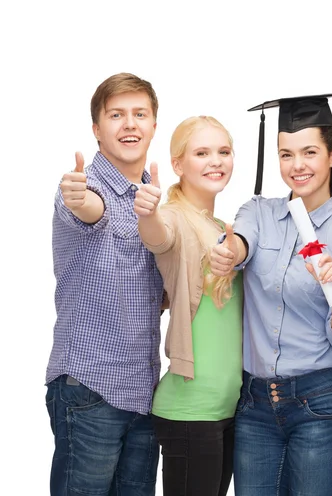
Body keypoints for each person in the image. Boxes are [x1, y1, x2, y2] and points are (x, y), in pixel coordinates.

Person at [210, 93, 332, 496]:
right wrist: (230, 253)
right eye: (286, 154)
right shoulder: (259, 211)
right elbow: (240, 244)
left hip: (322, 403)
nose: (297, 166)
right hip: (256, 405)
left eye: (309, 152)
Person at [45, 72, 163, 495]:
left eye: (139, 114)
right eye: (116, 115)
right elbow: (88, 209)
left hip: (144, 394)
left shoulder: (152, 197)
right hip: (90, 389)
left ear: (153, 124)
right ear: (97, 128)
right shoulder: (83, 186)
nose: (129, 124)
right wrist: (81, 200)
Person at [133, 115, 242, 496]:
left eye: (223, 152)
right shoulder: (175, 217)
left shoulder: (222, 225)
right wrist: (147, 214)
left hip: (228, 408)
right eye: (202, 153)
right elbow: (160, 238)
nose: (216, 161)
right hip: (190, 411)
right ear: (178, 164)